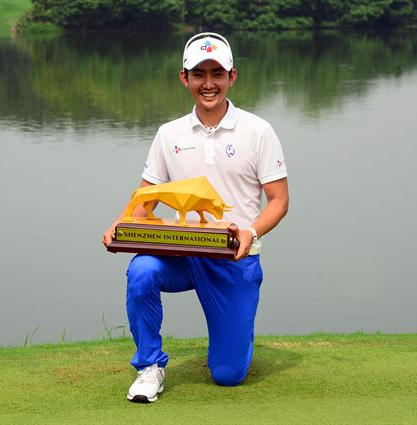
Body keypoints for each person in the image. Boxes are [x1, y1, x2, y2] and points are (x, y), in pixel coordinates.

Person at [102, 32, 289, 403]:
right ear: (183, 78)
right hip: (185, 254)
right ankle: (149, 367)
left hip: (235, 259)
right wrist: (120, 225)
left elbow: (279, 200)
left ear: (232, 77)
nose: (208, 84)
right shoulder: (167, 133)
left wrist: (251, 232)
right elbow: (147, 198)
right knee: (141, 271)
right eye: (198, 74)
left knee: (227, 375)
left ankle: (236, 333)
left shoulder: (258, 131)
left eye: (216, 74)